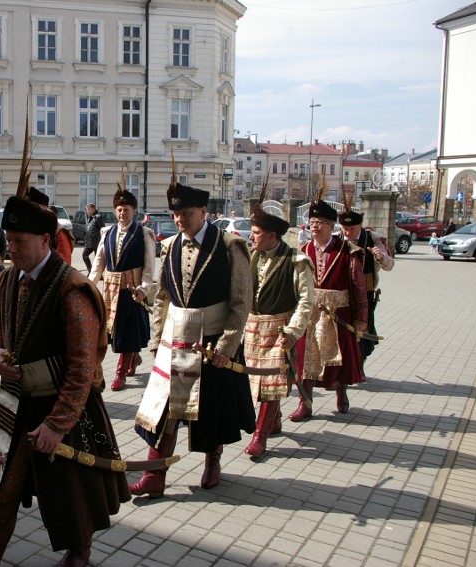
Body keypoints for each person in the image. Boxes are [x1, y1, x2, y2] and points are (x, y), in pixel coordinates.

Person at [0, 188, 130, 567]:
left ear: (46, 240)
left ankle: (79, 553)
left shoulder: (73, 291)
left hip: (64, 413)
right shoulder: (10, 279)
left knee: (69, 496)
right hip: (12, 408)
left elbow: (82, 369)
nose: (10, 247)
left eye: (19, 241)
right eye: (9, 239)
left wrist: (57, 424)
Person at [130, 181, 254, 498]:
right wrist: (157, 339)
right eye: (175, 215)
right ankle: (154, 477)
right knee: (163, 411)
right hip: (176, 342)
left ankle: (213, 461)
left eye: (186, 213)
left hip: (213, 343)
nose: (180, 220)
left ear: (203, 211)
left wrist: (227, 347)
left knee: (210, 411)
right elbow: (161, 298)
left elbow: (242, 303)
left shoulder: (230, 246)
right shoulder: (169, 245)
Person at [243, 203, 315, 460]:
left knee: (271, 383)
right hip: (252, 330)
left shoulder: (296, 261)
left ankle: (259, 437)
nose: (250, 236)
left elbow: (306, 301)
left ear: (272, 235)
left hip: (279, 331)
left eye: (256, 232)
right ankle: (273, 421)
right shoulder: (250, 257)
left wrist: (294, 331)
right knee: (256, 384)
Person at [289, 199, 368, 421]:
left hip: (338, 314)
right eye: (312, 221)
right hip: (308, 314)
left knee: (338, 359)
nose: (315, 226)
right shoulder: (302, 251)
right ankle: (305, 403)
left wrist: (361, 318)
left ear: (332, 226)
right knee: (304, 359)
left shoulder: (349, 251)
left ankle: (341, 391)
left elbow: (359, 288)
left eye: (321, 222)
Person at [89, 184, 154, 391]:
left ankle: (120, 374)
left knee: (127, 334)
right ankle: (133, 358)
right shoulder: (107, 232)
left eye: (126, 209)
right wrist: (89, 286)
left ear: (134, 211)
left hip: (131, 291)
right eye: (119, 209)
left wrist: (143, 289)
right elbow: (98, 263)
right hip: (110, 291)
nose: (122, 213)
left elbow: (149, 264)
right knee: (111, 333)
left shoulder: (144, 233)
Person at [338, 208, 394, 372]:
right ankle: (342, 368)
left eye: (352, 229)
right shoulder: (336, 239)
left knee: (363, 331)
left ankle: (359, 363)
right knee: (342, 330)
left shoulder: (374, 239)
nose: (348, 233)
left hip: (365, 294)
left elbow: (390, 265)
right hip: (342, 293)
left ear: (360, 226)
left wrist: (380, 257)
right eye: (345, 229)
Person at [82, 203, 105, 273]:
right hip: (90, 242)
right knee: (87, 256)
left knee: (92, 257)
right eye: (87, 210)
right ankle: (92, 272)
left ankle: (94, 272)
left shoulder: (97, 217)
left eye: (89, 209)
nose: (87, 211)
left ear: (93, 209)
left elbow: (103, 229)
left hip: (96, 242)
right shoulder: (91, 217)